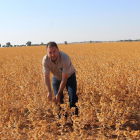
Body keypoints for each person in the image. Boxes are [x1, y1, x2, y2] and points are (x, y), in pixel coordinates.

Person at [42, 42, 78, 117]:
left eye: (54, 51)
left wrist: (59, 93)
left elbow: (64, 79)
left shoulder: (65, 58)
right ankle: (62, 119)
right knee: (57, 100)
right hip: (56, 77)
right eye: (50, 52)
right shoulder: (45, 60)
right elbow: (46, 76)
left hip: (69, 76)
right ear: (47, 53)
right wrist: (49, 92)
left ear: (58, 50)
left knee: (72, 97)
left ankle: (74, 119)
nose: (52, 54)